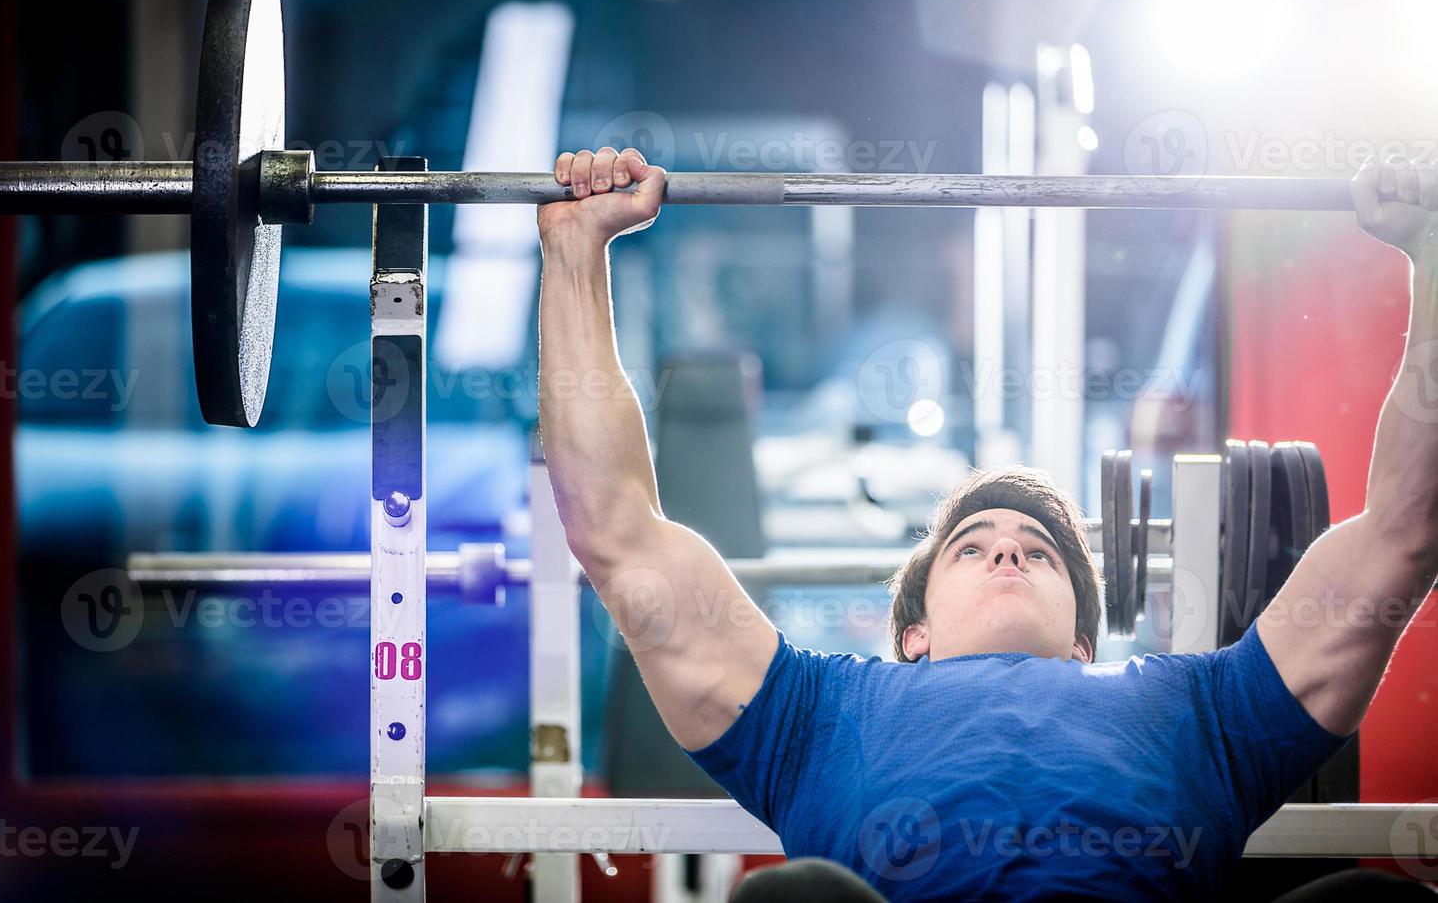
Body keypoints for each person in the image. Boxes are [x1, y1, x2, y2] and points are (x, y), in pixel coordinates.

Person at [533, 147, 1438, 900]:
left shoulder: (1197, 707)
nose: (1007, 545)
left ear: (1088, 642)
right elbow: (616, 530)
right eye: (972, 547)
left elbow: (1406, 528)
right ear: (913, 633)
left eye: (1038, 550)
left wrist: (1433, 252)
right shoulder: (818, 714)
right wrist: (575, 253)